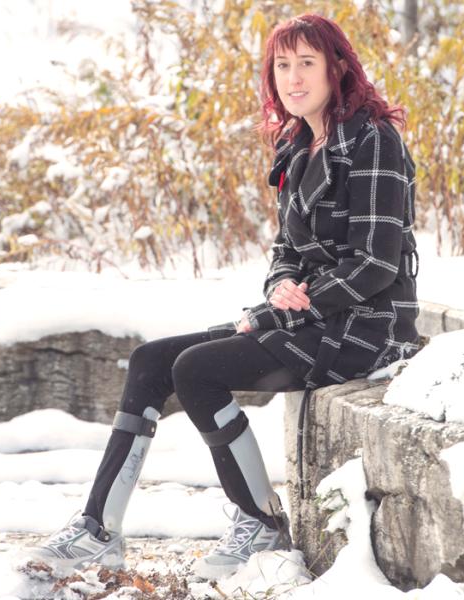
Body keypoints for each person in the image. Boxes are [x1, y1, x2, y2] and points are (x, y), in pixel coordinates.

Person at [24, 13, 420, 579]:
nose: (293, 78)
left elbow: (377, 264)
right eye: (282, 66)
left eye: (307, 63)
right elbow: (288, 248)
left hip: (364, 330)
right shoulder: (298, 142)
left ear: (338, 69)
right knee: (150, 361)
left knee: (197, 371)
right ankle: (97, 529)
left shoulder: (372, 140)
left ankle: (259, 521)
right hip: (309, 319)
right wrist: (278, 288)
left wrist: (292, 304)